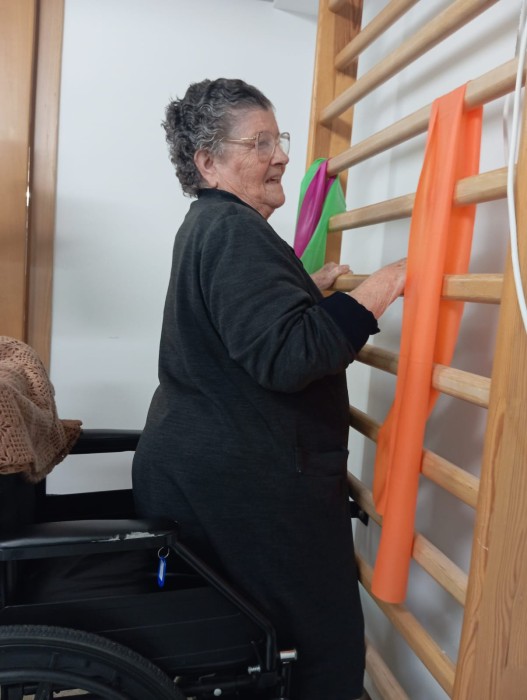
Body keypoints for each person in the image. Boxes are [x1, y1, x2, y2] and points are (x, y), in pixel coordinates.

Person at [132, 78, 406, 700]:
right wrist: (384, 285)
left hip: (204, 474)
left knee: (260, 647)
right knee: (322, 652)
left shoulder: (210, 224)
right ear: (209, 162)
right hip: (241, 487)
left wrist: (305, 287)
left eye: (277, 138)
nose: (280, 154)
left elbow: (243, 324)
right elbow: (287, 355)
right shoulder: (234, 231)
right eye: (259, 143)